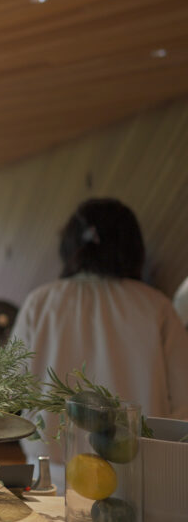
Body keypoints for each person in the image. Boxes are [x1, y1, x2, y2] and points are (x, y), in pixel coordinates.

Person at [12, 198, 188, 486]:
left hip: (52, 477)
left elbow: (12, 388)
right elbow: (183, 406)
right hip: (137, 480)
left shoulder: (40, 303)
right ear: (132, 247)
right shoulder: (157, 307)